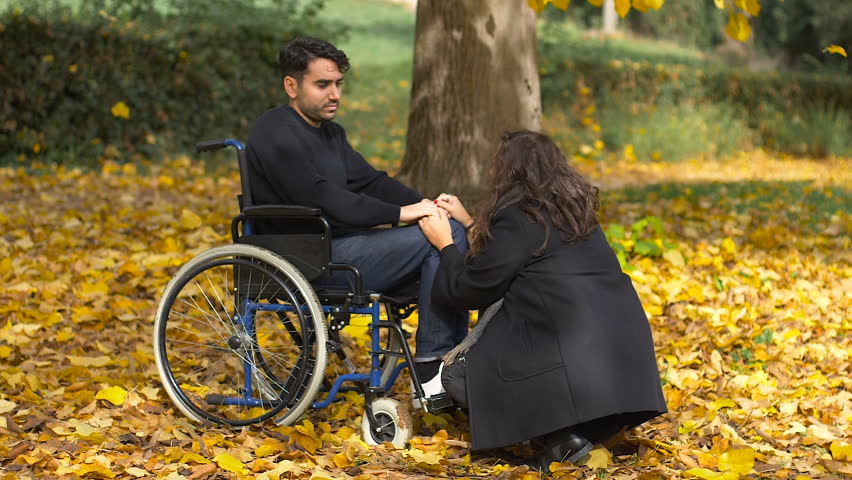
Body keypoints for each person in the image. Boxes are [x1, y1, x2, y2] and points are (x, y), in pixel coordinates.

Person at [418, 130, 668, 467]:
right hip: (622, 364)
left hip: (570, 353)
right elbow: (516, 252)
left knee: (457, 376)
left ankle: (561, 439)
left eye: (497, 165)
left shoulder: (518, 216)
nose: (492, 173)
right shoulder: (575, 212)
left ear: (511, 171)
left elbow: (470, 290)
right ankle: (581, 429)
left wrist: (445, 244)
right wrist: (468, 221)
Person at [244, 37, 468, 395]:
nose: (334, 94)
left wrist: (429, 205)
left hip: (344, 248)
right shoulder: (275, 132)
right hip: (309, 259)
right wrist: (403, 214)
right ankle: (434, 368)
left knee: (446, 229)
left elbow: (372, 182)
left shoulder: (331, 134)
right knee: (443, 237)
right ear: (291, 85)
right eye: (322, 85)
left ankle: (452, 362)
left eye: (338, 84)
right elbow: (323, 198)